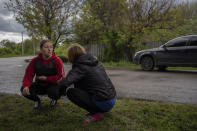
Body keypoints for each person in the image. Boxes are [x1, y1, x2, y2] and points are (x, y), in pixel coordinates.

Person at [58, 43, 116, 123]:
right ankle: (98, 109)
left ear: (71, 56)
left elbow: (66, 82)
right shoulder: (95, 62)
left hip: (103, 102)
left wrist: (60, 90)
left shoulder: (80, 66)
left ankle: (96, 113)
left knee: (71, 92)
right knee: (80, 86)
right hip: (112, 99)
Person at [21, 40, 65, 109]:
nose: (49, 49)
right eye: (46, 47)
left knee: (54, 93)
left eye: (51, 47)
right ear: (41, 49)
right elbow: (28, 74)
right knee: (23, 89)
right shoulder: (35, 60)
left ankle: (54, 99)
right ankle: (37, 101)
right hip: (40, 85)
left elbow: (61, 76)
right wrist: (26, 85)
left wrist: (47, 78)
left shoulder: (57, 60)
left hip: (53, 85)